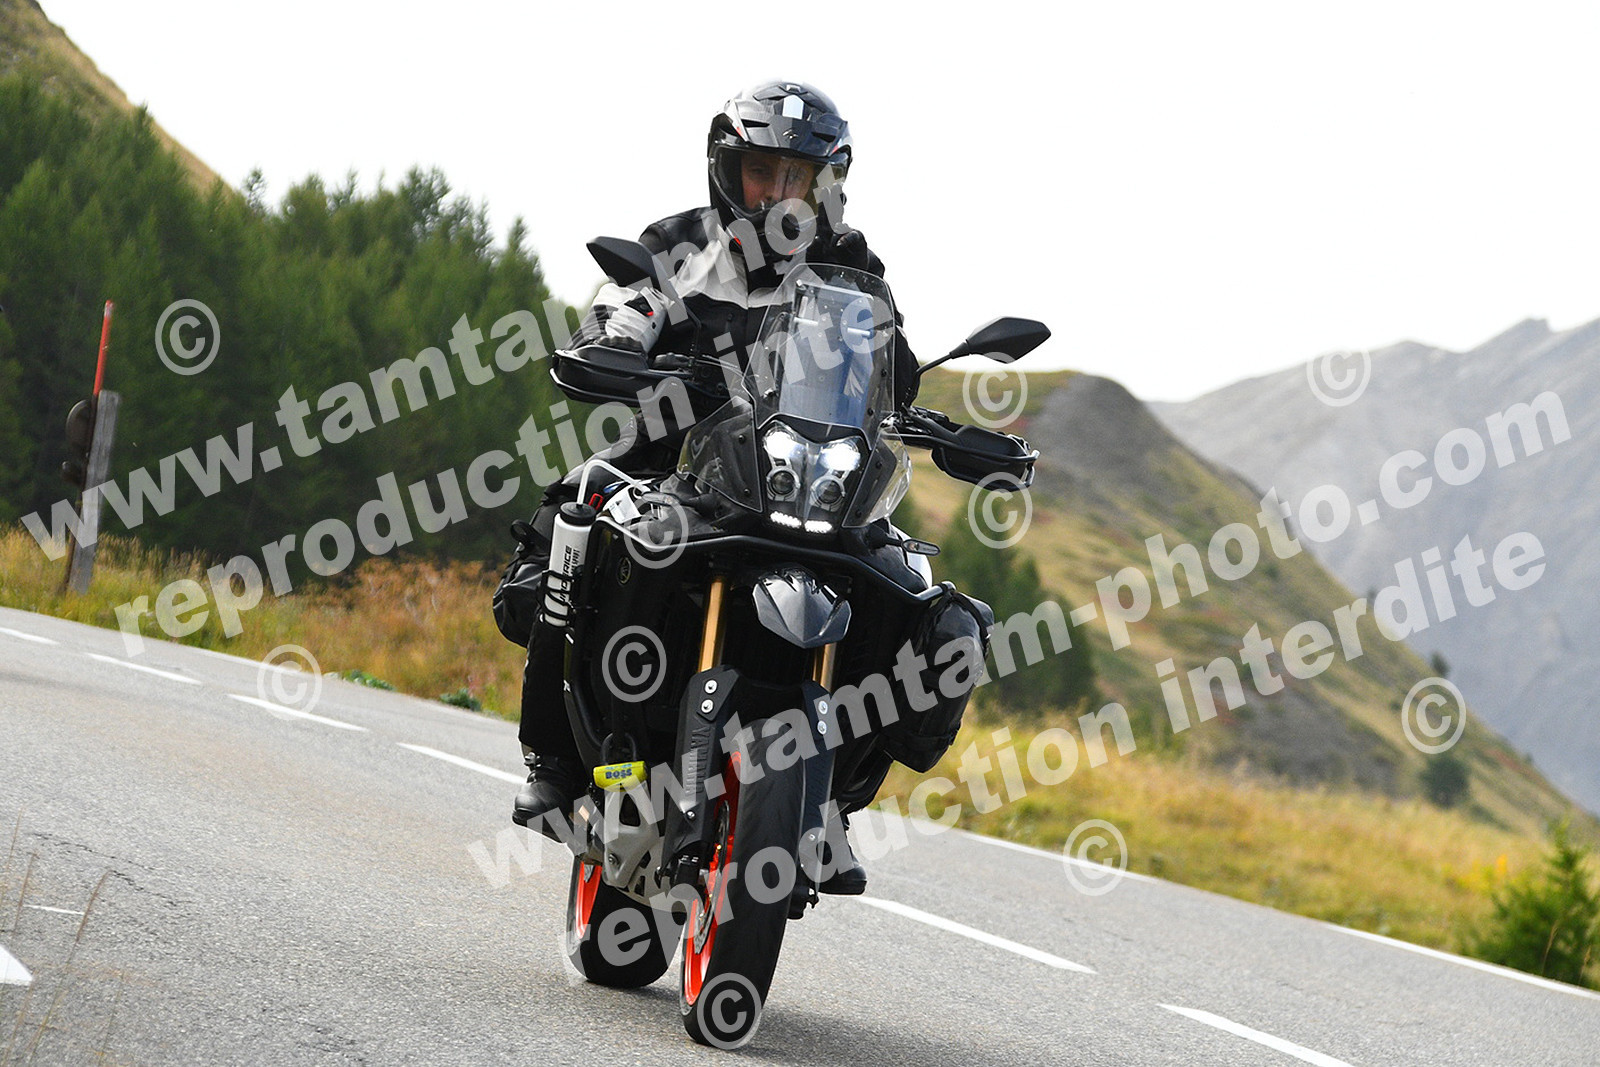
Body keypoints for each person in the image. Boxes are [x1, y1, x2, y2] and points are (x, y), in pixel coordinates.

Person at [508, 81, 925, 894]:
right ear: (726, 170)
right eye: (761, 171)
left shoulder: (852, 266)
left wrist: (927, 405)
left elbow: (890, 374)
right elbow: (624, 308)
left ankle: (833, 796)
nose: (776, 194)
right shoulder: (677, 246)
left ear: (826, 186)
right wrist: (614, 346)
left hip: (804, 483)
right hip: (679, 465)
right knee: (577, 514)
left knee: (914, 594)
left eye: (797, 178)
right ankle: (554, 757)